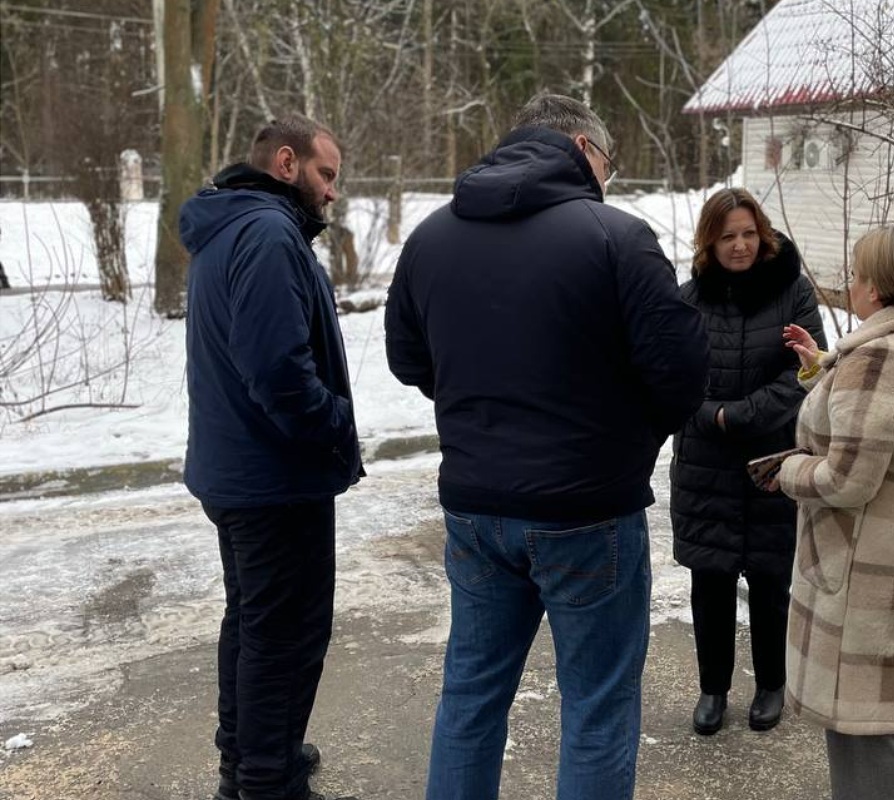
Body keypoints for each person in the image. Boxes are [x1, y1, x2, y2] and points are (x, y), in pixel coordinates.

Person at [385, 93, 709, 800]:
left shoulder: (431, 238)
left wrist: (482, 408)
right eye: (609, 164)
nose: (608, 179)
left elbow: (410, 362)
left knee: (470, 696)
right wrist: (623, 438)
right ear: (584, 150)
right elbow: (682, 378)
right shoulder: (616, 237)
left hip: (475, 506)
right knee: (596, 707)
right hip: (587, 512)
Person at [180, 114, 363, 800]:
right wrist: (335, 425)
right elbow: (279, 373)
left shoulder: (234, 226)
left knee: (257, 624)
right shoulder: (265, 233)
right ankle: (264, 780)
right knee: (284, 634)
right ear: (285, 163)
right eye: (326, 174)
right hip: (273, 478)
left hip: (245, 470)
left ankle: (256, 758)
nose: (333, 193)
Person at [777, 225, 894, 800]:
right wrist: (823, 369)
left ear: (878, 288)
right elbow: (879, 415)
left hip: (864, 581)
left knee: (866, 737)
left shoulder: (880, 358)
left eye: (858, 274)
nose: (851, 283)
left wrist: (786, 470)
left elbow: (846, 478)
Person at [669, 189, 826, 736]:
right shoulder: (686, 300)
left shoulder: (793, 293)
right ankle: (713, 690)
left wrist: (744, 414)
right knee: (709, 583)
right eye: (728, 235)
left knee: (768, 578)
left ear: (763, 235)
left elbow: (808, 372)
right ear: (709, 241)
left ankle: (770, 685)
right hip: (704, 464)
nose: (740, 245)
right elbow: (669, 378)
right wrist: (710, 416)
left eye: (749, 234)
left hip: (772, 459)